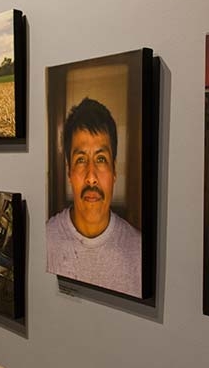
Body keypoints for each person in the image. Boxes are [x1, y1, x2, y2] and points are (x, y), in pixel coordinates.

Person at [47, 97, 142, 298]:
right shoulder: (45, 240)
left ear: (114, 170)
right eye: (81, 160)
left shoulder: (138, 250)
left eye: (101, 159)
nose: (91, 178)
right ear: (69, 171)